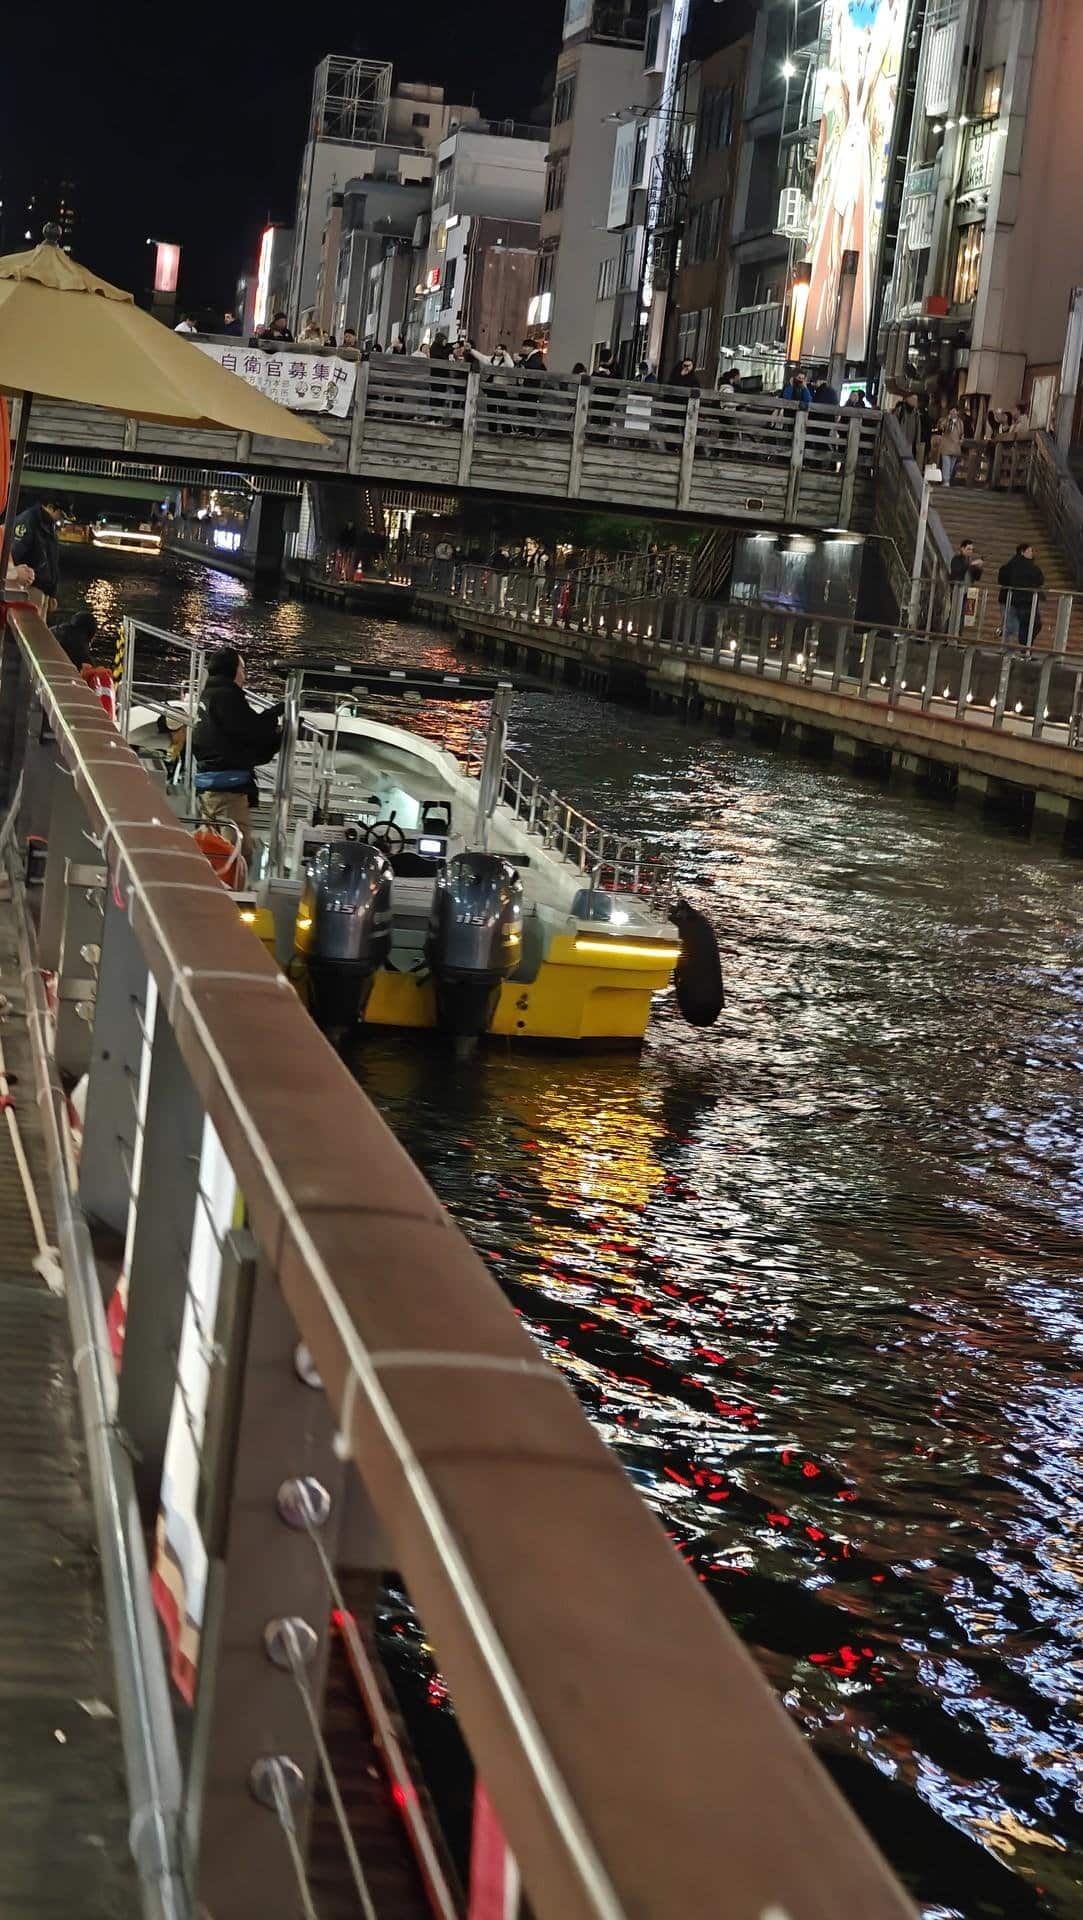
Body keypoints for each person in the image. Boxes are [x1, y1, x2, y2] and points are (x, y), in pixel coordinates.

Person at [191, 647, 283, 861]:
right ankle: (231, 894)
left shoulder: (210, 694)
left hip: (209, 788)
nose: (245, 674)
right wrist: (276, 716)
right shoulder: (227, 697)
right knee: (236, 856)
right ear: (231, 670)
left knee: (211, 851)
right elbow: (252, 730)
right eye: (242, 668)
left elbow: (238, 738)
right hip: (228, 793)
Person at [10, 497, 63, 611]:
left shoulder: (47, 524)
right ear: (50, 507)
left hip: (41, 588)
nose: (61, 518)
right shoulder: (28, 521)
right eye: (60, 513)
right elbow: (13, 554)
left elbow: (51, 561)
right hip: (31, 587)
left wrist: (51, 594)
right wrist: (16, 575)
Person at [997, 542, 1044, 648]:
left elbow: (1002, 579)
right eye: (1030, 551)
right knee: (1020, 626)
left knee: (1016, 625)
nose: (1032, 553)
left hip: (1013, 599)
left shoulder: (1010, 565)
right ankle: (1021, 649)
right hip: (1021, 600)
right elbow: (1040, 579)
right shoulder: (1025, 567)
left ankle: (1013, 648)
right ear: (1022, 552)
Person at [937, 408, 964, 486]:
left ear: (957, 412)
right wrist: (947, 419)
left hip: (955, 447)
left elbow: (962, 433)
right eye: (952, 411)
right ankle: (946, 481)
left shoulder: (960, 422)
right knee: (946, 464)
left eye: (955, 411)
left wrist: (961, 440)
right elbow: (941, 427)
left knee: (951, 467)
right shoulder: (945, 420)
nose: (953, 412)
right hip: (946, 446)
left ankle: (946, 480)